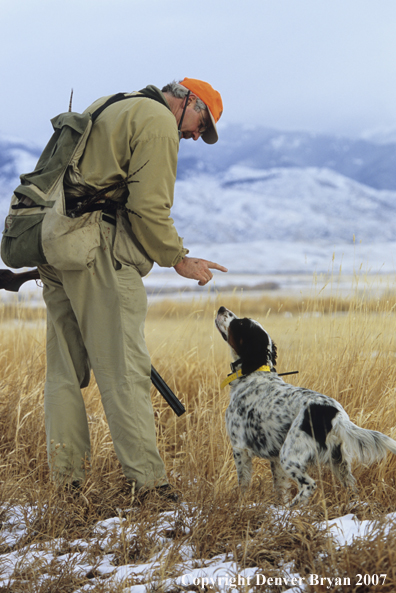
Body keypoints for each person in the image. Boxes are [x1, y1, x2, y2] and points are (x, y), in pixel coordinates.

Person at [38, 78, 227, 497]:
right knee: (125, 370)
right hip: (95, 251)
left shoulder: (111, 103)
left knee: (64, 372)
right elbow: (149, 208)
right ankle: (150, 485)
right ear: (187, 101)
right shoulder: (159, 121)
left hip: (54, 241)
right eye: (202, 121)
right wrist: (179, 258)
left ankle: (66, 486)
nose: (196, 134)